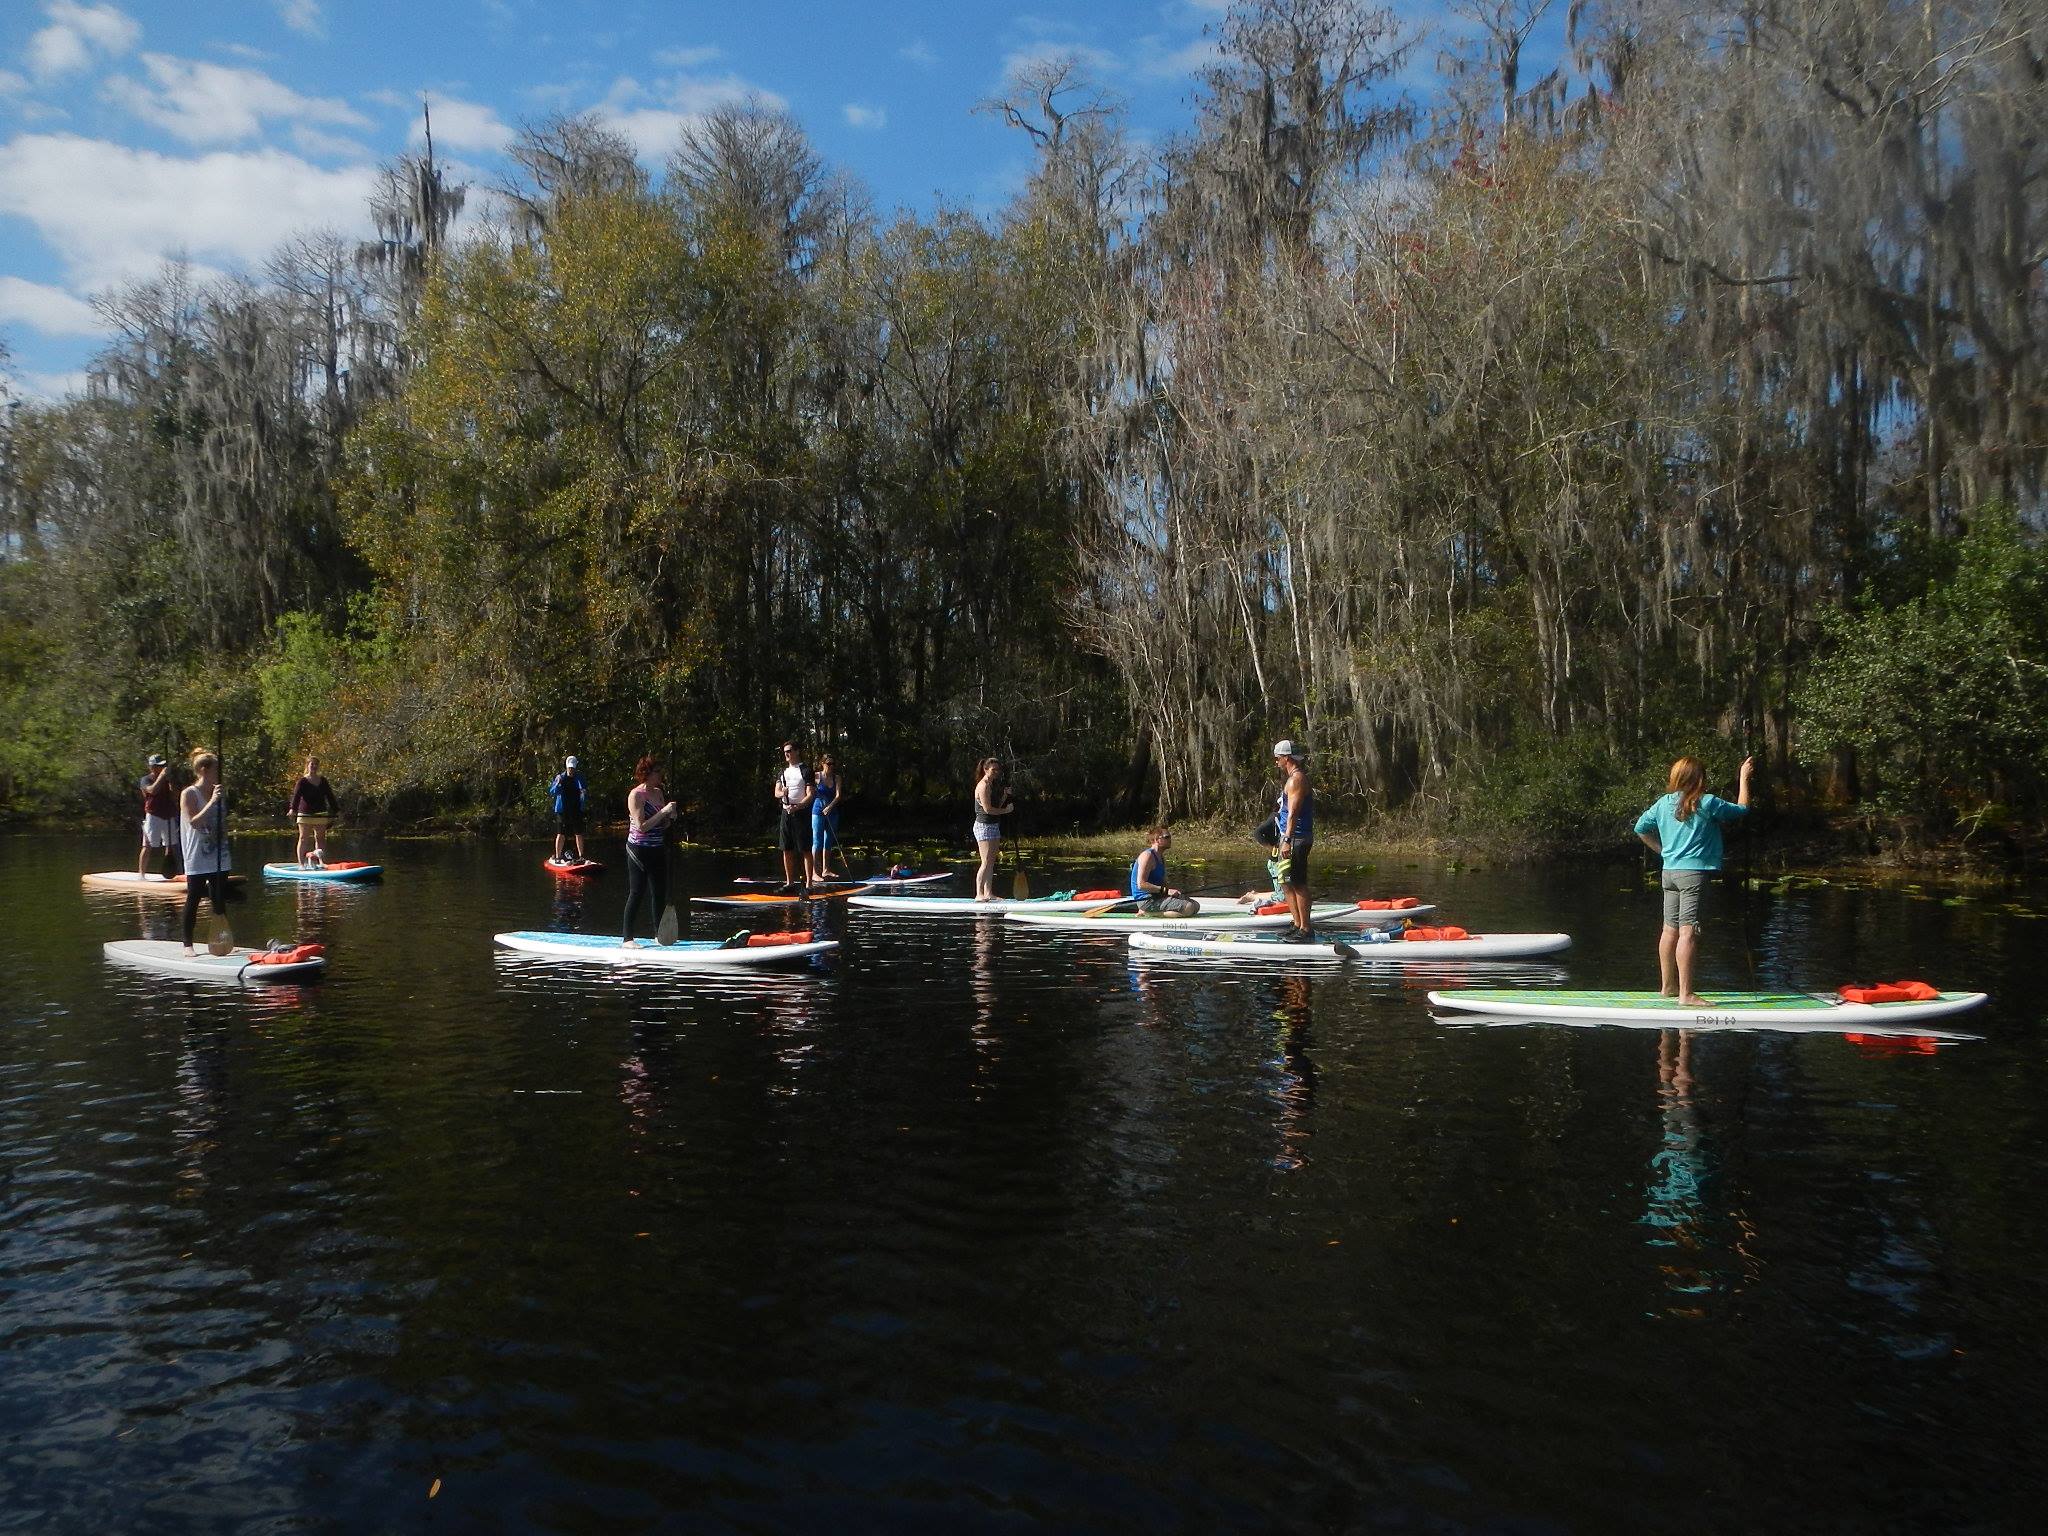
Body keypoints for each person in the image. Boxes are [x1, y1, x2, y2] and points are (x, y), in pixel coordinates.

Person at [1635, 754, 1754, 1006]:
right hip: (1693, 875)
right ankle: (1686, 995)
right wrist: (1744, 777)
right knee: (1688, 932)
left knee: (1669, 930)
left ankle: (1667, 987)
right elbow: (1742, 809)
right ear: (1699, 779)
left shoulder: (1662, 803)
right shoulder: (1707, 802)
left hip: (1669, 873)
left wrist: (1662, 851)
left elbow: (1640, 828)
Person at [622, 756, 678, 943]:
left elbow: (663, 825)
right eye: (657, 772)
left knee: (659, 892)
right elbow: (641, 826)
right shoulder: (636, 795)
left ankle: (659, 936)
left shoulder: (659, 793)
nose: (661, 775)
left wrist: (670, 817)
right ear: (647, 773)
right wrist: (663, 812)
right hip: (638, 850)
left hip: (657, 848)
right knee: (637, 892)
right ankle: (627, 940)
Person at [179, 748, 230, 954]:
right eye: (215, 769)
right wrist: (211, 802)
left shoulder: (219, 792)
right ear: (203, 770)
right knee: (194, 897)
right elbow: (193, 821)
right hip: (197, 854)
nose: (218, 773)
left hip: (220, 853)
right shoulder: (189, 793)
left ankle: (220, 940)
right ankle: (187, 944)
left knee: (219, 898)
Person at [1272, 740, 1314, 940]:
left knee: (1298, 882)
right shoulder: (1291, 779)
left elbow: (1293, 813)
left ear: (1286, 758)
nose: (1277, 762)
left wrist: (1287, 839)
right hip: (1287, 837)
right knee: (1286, 882)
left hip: (1297, 837)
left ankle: (1306, 929)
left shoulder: (1296, 780)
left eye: (1278, 758)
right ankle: (1297, 923)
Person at [971, 757, 1014, 901]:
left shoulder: (991, 785)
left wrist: (1005, 796)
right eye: (993, 770)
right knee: (985, 861)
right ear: (985, 769)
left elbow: (997, 806)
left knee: (991, 861)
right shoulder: (982, 786)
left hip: (993, 825)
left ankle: (988, 893)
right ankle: (979, 894)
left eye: (997, 770)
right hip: (983, 826)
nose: (996, 772)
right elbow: (988, 810)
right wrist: (1006, 811)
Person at [1129, 826, 1197, 915]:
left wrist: (1173, 893)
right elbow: (1141, 884)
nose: (1170, 840)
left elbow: (1162, 883)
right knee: (1189, 907)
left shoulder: (1160, 857)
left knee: (1195, 906)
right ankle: (1147, 912)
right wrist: (1166, 891)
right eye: (1167, 837)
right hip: (1146, 899)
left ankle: (1155, 912)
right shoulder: (1147, 856)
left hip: (1157, 896)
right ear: (1157, 840)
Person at [774, 742, 814, 889]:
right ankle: (789, 882)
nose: (786, 754)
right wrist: (782, 793)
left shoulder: (806, 770)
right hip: (786, 813)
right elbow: (776, 792)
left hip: (801, 813)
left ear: (797, 751)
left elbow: (810, 795)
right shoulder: (783, 772)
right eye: (785, 751)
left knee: (805, 848)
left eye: (789, 751)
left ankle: (809, 884)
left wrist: (798, 807)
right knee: (786, 848)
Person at [288, 754, 338, 866]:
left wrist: (336, 810)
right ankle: (301, 864)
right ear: (307, 765)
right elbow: (296, 797)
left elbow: (330, 796)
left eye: (316, 764)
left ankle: (319, 862)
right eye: (312, 764)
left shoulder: (323, 781)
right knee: (303, 838)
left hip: (320, 813)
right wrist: (292, 809)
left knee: (320, 838)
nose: (314, 766)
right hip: (305, 814)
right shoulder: (302, 781)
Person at [137, 754, 177, 878]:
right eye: (159, 766)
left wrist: (171, 785)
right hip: (154, 815)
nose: (161, 768)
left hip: (168, 815)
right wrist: (162, 777)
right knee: (148, 845)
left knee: (170, 845)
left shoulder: (167, 780)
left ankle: (169, 872)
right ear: (152, 767)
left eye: (163, 766)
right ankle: (141, 875)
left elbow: (175, 796)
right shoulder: (146, 779)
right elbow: (152, 790)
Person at [810, 753, 844, 881]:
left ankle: (826, 870)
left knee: (828, 840)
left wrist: (830, 807)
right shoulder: (816, 776)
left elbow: (838, 795)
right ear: (823, 763)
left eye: (833, 764)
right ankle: (814, 872)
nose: (831, 766)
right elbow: (810, 792)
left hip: (832, 811)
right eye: (828, 763)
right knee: (817, 841)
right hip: (818, 810)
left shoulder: (837, 778)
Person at [550, 755, 588, 864]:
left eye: (573, 768)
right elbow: (552, 791)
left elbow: (584, 792)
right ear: (566, 767)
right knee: (561, 833)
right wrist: (558, 784)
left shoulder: (580, 777)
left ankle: (581, 856)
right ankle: (558, 856)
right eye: (569, 768)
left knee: (578, 832)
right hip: (563, 810)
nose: (571, 770)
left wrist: (584, 795)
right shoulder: (560, 777)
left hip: (576, 808)